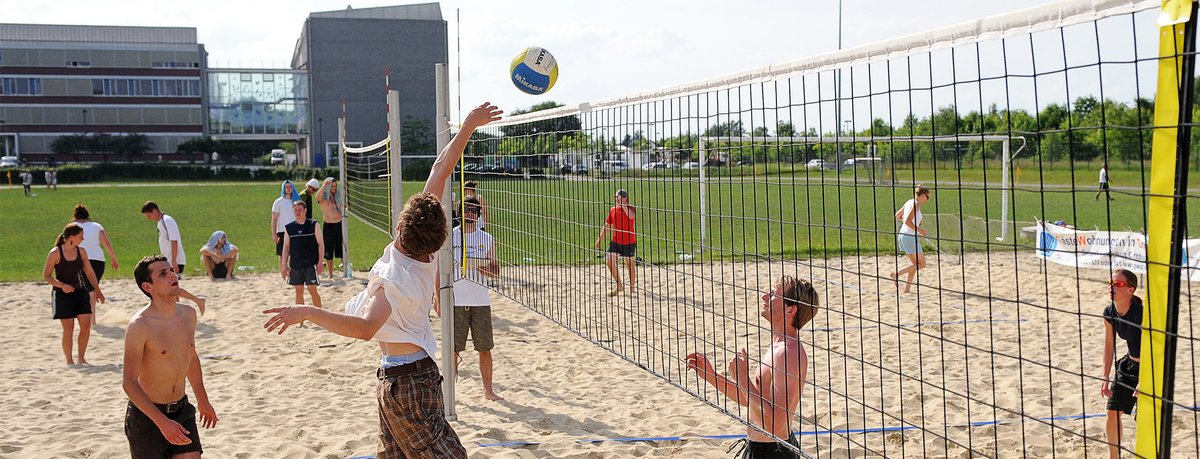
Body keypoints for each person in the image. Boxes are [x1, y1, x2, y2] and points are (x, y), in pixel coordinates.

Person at [262, 101, 502, 458]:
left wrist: (307, 312)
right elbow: (441, 167)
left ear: (402, 227)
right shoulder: (423, 258)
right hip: (411, 381)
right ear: (437, 239)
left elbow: (364, 328)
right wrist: (469, 125)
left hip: (400, 381)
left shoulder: (396, 267)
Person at [686, 276, 818, 458]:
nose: (764, 297)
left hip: (773, 452)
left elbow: (775, 425)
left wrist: (741, 377)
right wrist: (710, 375)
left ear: (790, 309)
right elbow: (751, 399)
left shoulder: (787, 353)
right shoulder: (778, 347)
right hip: (761, 448)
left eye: (773, 295)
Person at [122, 255, 218, 458]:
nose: (173, 275)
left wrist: (203, 400)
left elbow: (190, 358)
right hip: (147, 416)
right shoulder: (140, 325)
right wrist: (163, 423)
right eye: (163, 274)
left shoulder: (188, 314)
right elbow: (129, 383)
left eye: (172, 270)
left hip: (182, 410)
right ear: (148, 287)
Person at [451, 196, 503, 401]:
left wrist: (486, 269)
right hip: (456, 300)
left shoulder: (486, 238)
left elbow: (496, 271)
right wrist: (437, 297)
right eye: (467, 210)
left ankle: (488, 391)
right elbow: (439, 267)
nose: (470, 214)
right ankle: (450, 393)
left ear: (479, 215)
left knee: (484, 349)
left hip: (480, 300)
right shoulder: (451, 237)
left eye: (474, 211)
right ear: (460, 213)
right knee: (453, 350)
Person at [41, 223, 105, 366]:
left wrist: (97, 290)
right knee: (68, 328)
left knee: (86, 326)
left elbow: (89, 272)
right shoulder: (55, 253)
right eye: (80, 236)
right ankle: (69, 361)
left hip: (80, 292)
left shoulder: (81, 252)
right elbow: (46, 276)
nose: (82, 238)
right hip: (62, 294)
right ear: (71, 237)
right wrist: (62, 285)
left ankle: (81, 358)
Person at [1101, 269, 1143, 459]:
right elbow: (1109, 345)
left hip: (1151, 367)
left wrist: (1146, 380)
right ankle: (1114, 457)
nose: (1112, 287)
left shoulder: (1141, 314)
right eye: (1111, 283)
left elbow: (1157, 350)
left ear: (1130, 290)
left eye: (1117, 284)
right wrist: (1105, 375)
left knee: (1145, 419)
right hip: (1128, 365)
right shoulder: (1110, 311)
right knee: (1112, 412)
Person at [140, 201, 206, 313]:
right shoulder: (161, 222)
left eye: (149, 215)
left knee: (172, 288)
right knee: (172, 288)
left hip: (173, 260)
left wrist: (174, 262)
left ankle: (197, 301)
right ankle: (178, 310)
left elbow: (174, 241)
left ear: (154, 211)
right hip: (169, 260)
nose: (149, 218)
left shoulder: (167, 221)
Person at [73, 204, 119, 312]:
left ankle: (86, 315)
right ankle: (92, 318)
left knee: (82, 289)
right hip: (98, 260)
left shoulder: (72, 226)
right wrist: (114, 259)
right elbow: (106, 243)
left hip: (79, 259)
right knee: (93, 289)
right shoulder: (97, 226)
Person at [594, 189, 637, 297]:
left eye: (617, 196)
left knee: (629, 264)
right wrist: (600, 239)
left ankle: (632, 289)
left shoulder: (631, 208)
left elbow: (631, 216)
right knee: (609, 261)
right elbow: (607, 226)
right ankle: (619, 285)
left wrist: (623, 204)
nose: (615, 199)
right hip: (616, 241)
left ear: (625, 198)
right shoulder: (613, 210)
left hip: (629, 241)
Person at [281, 201, 323, 308]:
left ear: (305, 210)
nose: (297, 212)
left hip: (310, 263)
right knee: (298, 291)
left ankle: (319, 315)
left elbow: (320, 244)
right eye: (295, 210)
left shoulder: (313, 225)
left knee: (312, 289)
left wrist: (320, 262)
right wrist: (284, 264)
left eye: (300, 210)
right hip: (295, 264)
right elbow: (286, 247)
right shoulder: (289, 228)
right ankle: (300, 319)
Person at [890, 186, 930, 294]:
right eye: (927, 196)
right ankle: (896, 274)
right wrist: (920, 230)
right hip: (909, 237)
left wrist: (915, 223)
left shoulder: (909, 202)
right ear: (922, 196)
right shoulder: (916, 204)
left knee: (914, 265)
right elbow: (907, 221)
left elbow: (898, 216)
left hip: (903, 235)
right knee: (922, 264)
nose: (928, 199)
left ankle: (907, 289)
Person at [316, 177, 345, 279]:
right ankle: (330, 273)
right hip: (329, 225)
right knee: (328, 250)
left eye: (335, 186)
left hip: (339, 224)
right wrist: (324, 185)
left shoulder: (338, 196)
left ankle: (345, 269)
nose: (334, 188)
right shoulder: (324, 198)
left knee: (341, 247)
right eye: (332, 186)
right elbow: (317, 197)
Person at [271, 180, 300, 261]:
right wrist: (274, 234)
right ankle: (283, 272)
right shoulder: (278, 202)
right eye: (286, 187)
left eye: (290, 187)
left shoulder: (297, 201)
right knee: (282, 254)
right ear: (283, 188)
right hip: (282, 230)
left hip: (295, 230)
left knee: (294, 253)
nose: (288, 189)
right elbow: (274, 219)